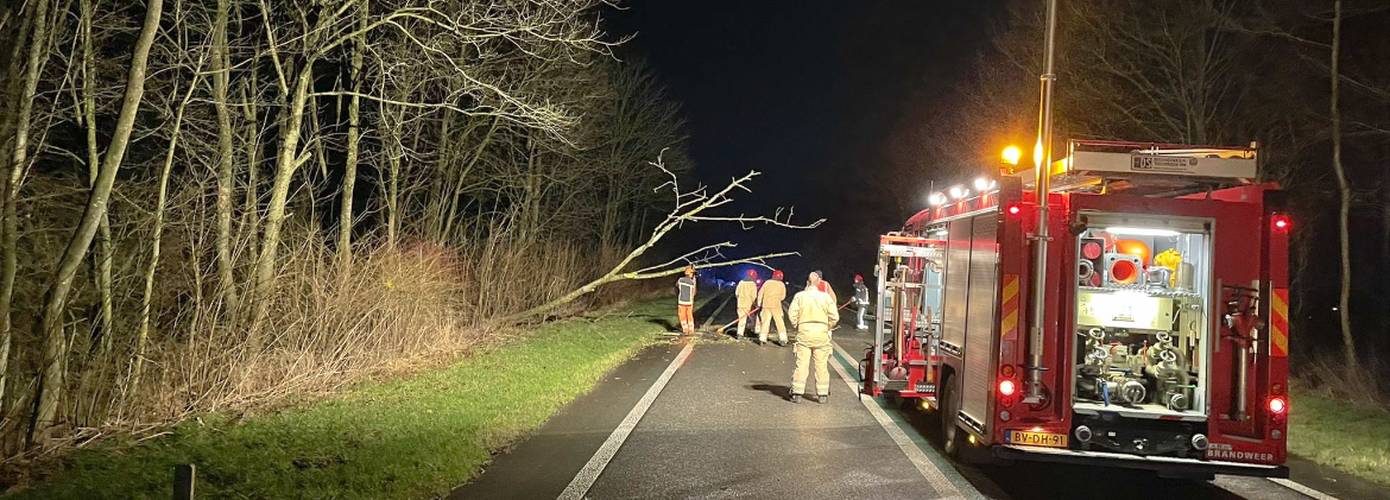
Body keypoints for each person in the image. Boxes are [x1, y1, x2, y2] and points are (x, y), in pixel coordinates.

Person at [788, 274, 839, 404]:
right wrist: (828, 326)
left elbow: (792, 314)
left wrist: (798, 325)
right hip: (821, 334)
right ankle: (822, 394)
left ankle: (797, 393)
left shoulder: (800, 296)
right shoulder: (825, 297)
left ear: (807, 282)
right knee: (821, 365)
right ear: (818, 282)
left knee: (802, 364)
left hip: (804, 333)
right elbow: (834, 316)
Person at [758, 269, 788, 345]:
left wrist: (759, 303)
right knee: (779, 322)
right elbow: (783, 296)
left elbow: (760, 293)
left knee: (765, 322)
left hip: (766, 305)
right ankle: (783, 339)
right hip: (776, 306)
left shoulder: (767, 283)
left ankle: (762, 338)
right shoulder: (781, 285)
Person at [734, 269, 759, 340]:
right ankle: (757, 332)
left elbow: (736, 293)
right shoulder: (752, 284)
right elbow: (753, 296)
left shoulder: (741, 282)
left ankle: (739, 334)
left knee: (741, 319)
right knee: (754, 318)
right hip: (749, 305)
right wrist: (755, 304)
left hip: (740, 304)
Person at [676, 266, 697, 335]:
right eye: (692, 274)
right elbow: (694, 292)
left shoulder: (680, 280)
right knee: (689, 315)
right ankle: (691, 330)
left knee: (682, 316)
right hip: (689, 302)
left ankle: (685, 330)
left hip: (681, 301)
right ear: (690, 274)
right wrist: (694, 281)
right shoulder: (692, 282)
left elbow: (677, 285)